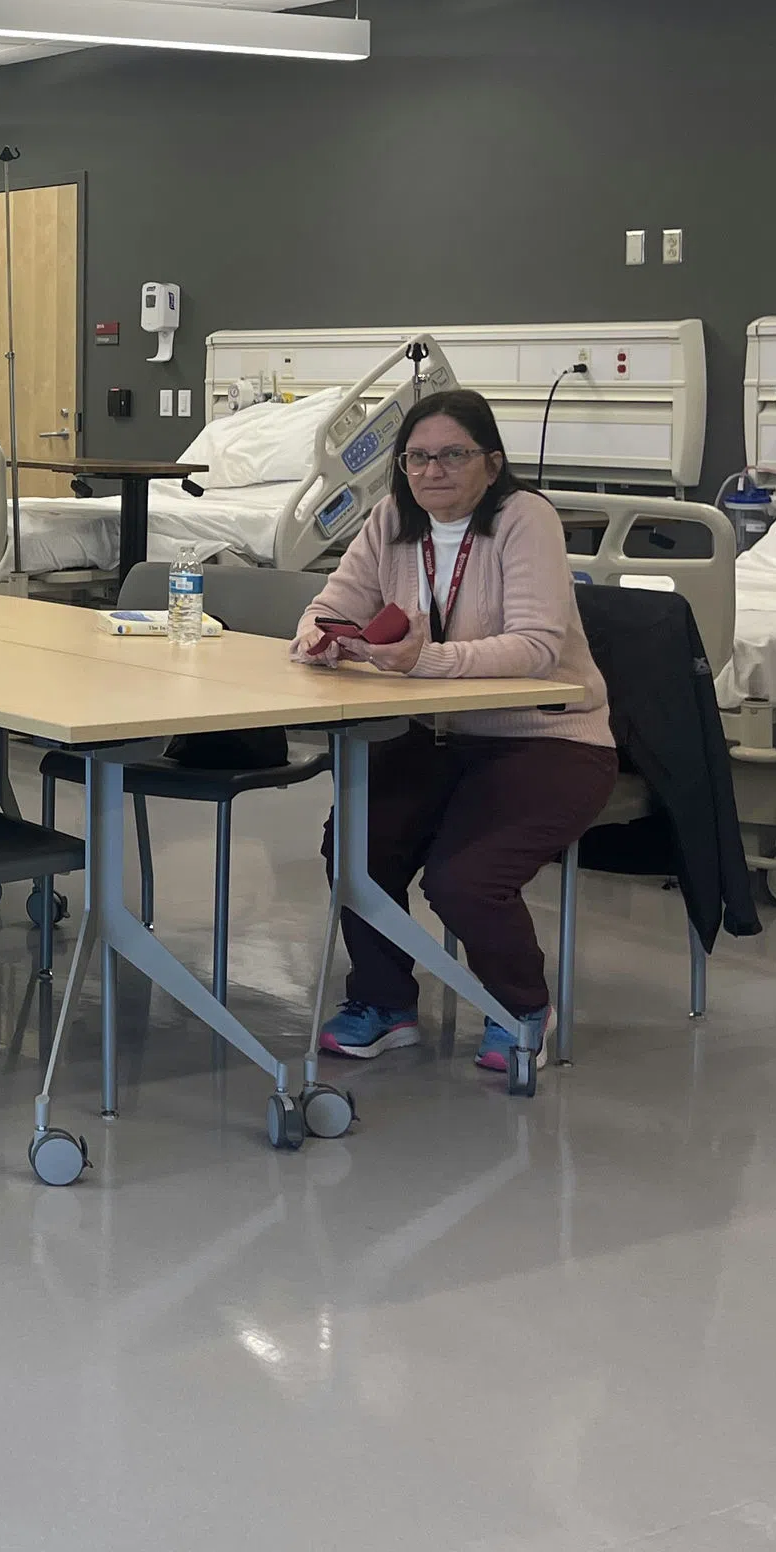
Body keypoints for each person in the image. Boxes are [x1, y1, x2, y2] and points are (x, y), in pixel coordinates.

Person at [292, 386, 613, 1075]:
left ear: (491, 464)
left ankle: (520, 1008)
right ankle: (383, 1002)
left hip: (545, 737)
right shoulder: (390, 520)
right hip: (434, 734)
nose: (432, 472)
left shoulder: (526, 519)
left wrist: (425, 661)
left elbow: (537, 648)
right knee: (356, 848)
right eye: (416, 459)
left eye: (451, 456)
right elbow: (328, 605)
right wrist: (319, 639)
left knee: (464, 878)